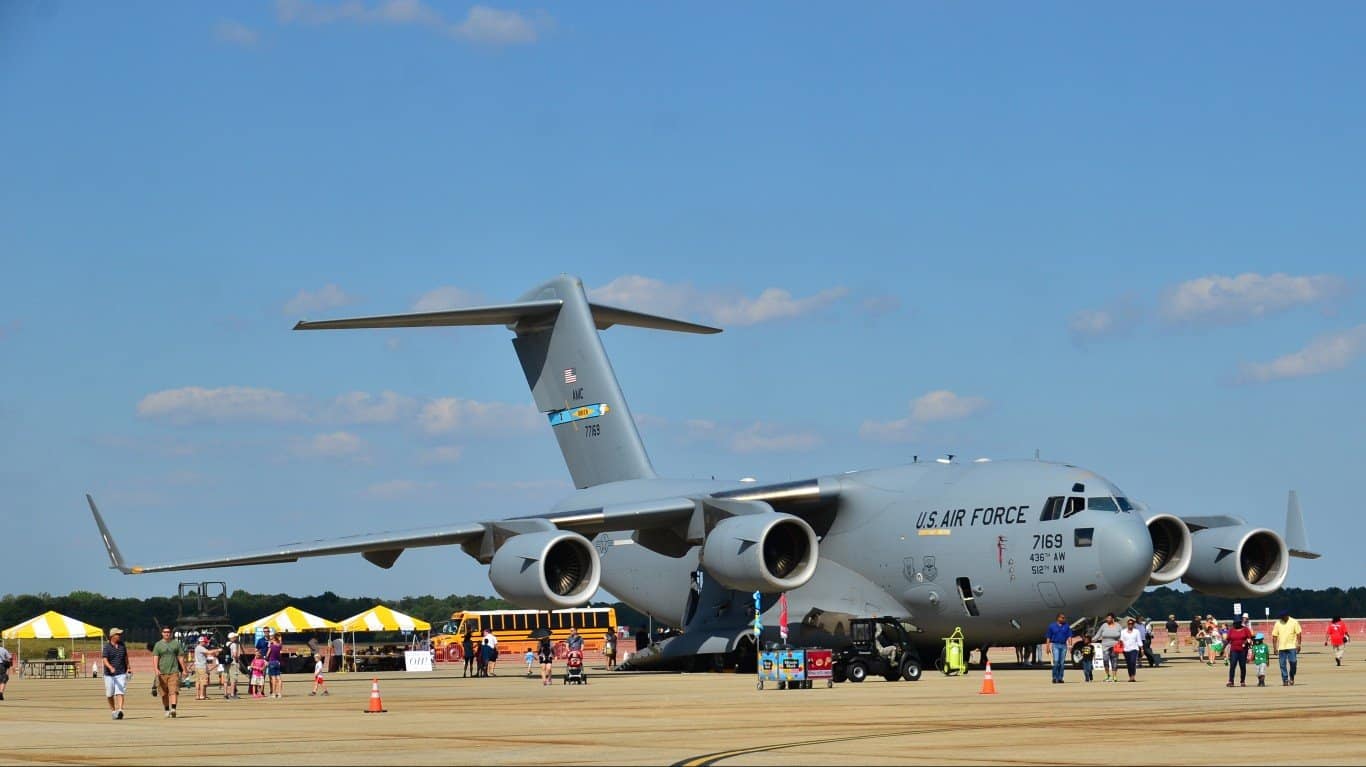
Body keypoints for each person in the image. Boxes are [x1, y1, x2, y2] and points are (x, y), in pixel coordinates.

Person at [151, 626, 187, 718]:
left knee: (173, 691)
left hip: (174, 672)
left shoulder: (176, 644)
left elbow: (180, 657)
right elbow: (155, 658)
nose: (167, 633)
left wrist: (184, 670)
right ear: (162, 633)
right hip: (162, 672)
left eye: (168, 632)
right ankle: (167, 709)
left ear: (170, 633)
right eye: (165, 632)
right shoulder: (158, 645)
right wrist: (156, 669)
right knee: (164, 693)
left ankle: (173, 709)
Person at [102, 628, 130, 720]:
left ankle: (120, 710)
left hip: (121, 672)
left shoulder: (122, 645)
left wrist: (129, 667)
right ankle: (113, 711)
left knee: (120, 691)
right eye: (118, 634)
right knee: (110, 693)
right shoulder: (107, 647)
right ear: (113, 636)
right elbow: (104, 660)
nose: (120, 636)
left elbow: (126, 657)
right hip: (109, 675)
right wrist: (110, 667)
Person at [1271, 611, 1303, 686]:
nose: (1281, 618)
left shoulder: (1294, 622)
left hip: (1292, 646)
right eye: (1280, 617)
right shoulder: (1278, 623)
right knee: (1282, 664)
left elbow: (1298, 634)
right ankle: (1285, 679)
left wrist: (1299, 645)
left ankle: (1291, 676)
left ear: (1287, 615)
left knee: (1293, 662)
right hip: (1281, 647)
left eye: (1283, 616)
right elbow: (1274, 636)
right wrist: (1275, 647)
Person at [1092, 613, 1122, 682]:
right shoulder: (1104, 626)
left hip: (1115, 645)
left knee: (1114, 661)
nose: (1107, 619)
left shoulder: (1118, 626)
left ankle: (1114, 676)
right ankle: (1107, 675)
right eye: (1107, 618)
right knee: (1105, 660)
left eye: (1109, 618)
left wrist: (1121, 642)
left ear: (1112, 619)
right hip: (1105, 646)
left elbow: (1121, 635)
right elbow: (1098, 634)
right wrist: (1093, 639)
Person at [1224, 618, 1253, 687]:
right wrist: (1222, 649)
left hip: (1243, 650)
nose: (1235, 624)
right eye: (1235, 623)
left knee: (1242, 666)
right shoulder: (1231, 630)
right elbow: (1228, 640)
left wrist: (1247, 643)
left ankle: (1242, 681)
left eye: (1237, 623)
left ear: (1240, 623)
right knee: (1232, 665)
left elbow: (1250, 638)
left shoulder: (1245, 629)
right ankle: (1231, 681)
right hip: (1234, 650)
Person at [1045, 613, 1072, 684]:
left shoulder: (1066, 626)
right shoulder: (1052, 626)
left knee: (1062, 663)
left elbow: (1069, 636)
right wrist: (1047, 647)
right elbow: (1048, 637)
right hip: (1055, 645)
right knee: (1056, 662)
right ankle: (1054, 677)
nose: (1064, 619)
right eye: (1062, 618)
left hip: (1064, 646)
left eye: (1064, 618)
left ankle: (1060, 678)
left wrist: (1070, 645)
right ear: (1058, 618)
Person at [1119, 618, 1143, 682]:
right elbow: (1121, 640)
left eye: (1131, 624)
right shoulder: (1123, 631)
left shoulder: (1136, 631)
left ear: (1133, 624)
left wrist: (1142, 649)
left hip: (1134, 649)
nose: (1130, 625)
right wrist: (1120, 647)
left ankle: (1133, 676)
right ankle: (1130, 676)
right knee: (1129, 663)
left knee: (1133, 662)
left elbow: (1139, 640)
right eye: (1129, 624)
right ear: (1127, 624)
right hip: (1126, 649)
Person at [192, 635, 214, 701]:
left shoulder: (197, 648)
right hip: (202, 667)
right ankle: (202, 695)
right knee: (203, 681)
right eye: (205, 642)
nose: (206, 643)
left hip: (197, 666)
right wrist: (217, 650)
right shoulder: (201, 648)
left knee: (198, 681)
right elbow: (209, 652)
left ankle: (198, 695)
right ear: (202, 642)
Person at [221, 632, 240, 699]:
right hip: (232, 663)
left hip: (225, 663)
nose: (236, 638)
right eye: (235, 637)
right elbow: (235, 655)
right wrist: (238, 659)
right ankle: (232, 694)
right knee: (233, 679)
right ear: (232, 638)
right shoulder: (234, 645)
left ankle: (225, 693)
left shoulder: (226, 644)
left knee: (226, 679)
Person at [266, 633, 285, 698]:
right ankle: (279, 693)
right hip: (277, 662)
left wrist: (265, 659)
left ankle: (273, 694)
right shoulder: (279, 646)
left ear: (273, 639)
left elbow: (267, 654)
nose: (270, 640)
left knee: (273, 679)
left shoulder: (271, 646)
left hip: (271, 662)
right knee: (279, 678)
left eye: (271, 639)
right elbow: (280, 643)